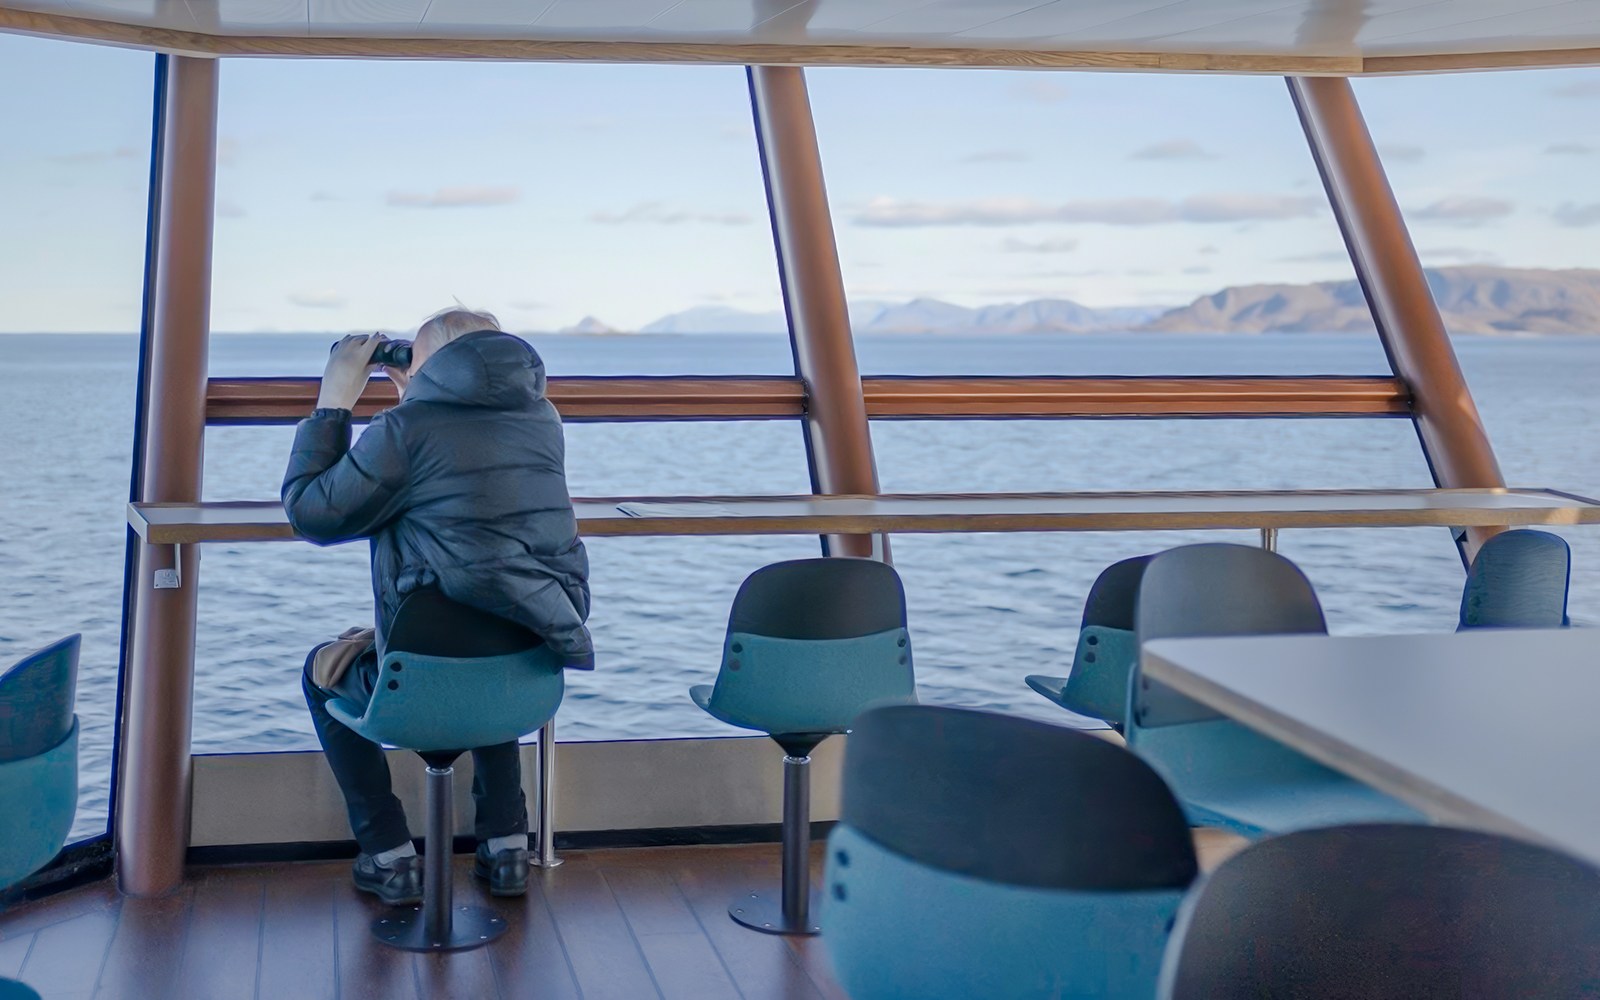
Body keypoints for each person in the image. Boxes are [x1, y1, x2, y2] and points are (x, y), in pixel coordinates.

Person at [284, 307, 591, 904]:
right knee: (495, 627)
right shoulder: (543, 417)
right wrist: (417, 396)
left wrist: (334, 403)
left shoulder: (406, 430)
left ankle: (389, 855)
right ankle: (507, 845)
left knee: (322, 670)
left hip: (421, 685)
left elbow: (312, 513)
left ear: (442, 365)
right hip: (530, 670)